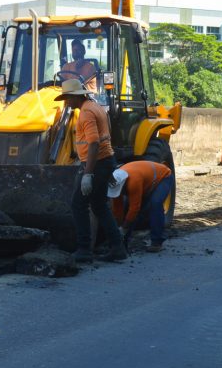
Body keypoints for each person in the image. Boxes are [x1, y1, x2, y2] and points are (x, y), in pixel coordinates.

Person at [54, 78, 126, 263]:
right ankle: (117, 247)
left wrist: (88, 173)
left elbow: (94, 142)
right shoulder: (96, 107)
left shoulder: (86, 113)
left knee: (78, 205)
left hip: (97, 163)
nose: (65, 102)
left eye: (66, 98)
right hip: (104, 161)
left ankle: (84, 250)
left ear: (74, 97)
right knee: (99, 205)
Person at [109, 160, 174, 253]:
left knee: (155, 203)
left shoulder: (133, 181)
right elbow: (117, 209)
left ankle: (157, 242)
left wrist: (123, 228)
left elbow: (134, 208)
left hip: (163, 177)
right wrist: (117, 228)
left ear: (123, 186)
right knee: (129, 211)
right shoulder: (115, 181)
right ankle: (123, 243)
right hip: (146, 179)